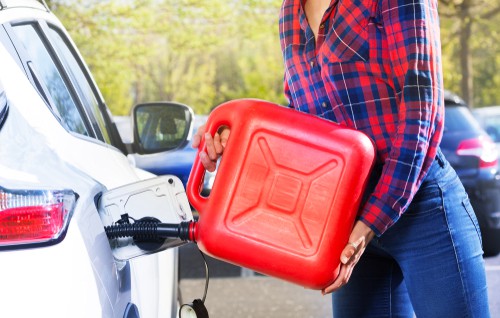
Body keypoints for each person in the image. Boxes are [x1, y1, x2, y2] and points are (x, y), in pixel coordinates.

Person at [192, 0, 491, 316]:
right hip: (347, 218)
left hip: (422, 209)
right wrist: (236, 141)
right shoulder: (289, 12)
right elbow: (306, 122)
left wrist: (369, 223)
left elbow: (422, 111)